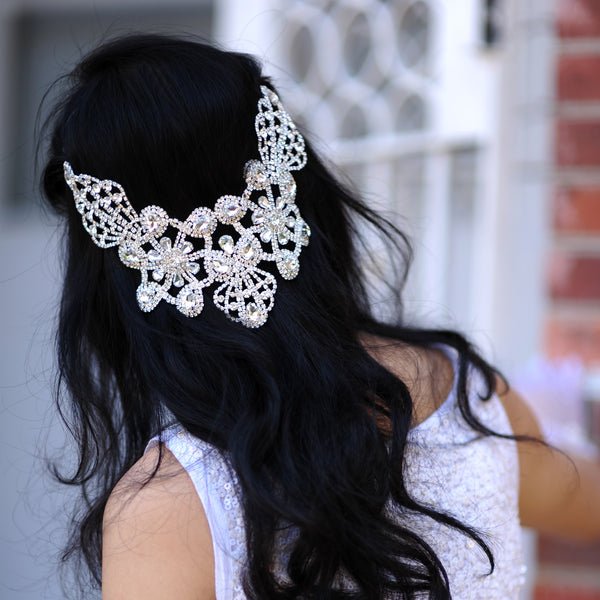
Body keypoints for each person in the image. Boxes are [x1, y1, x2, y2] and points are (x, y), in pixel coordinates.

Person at [40, 34, 600, 600]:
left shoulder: (168, 505)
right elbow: (587, 504)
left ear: (109, 272)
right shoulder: (464, 393)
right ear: (302, 189)